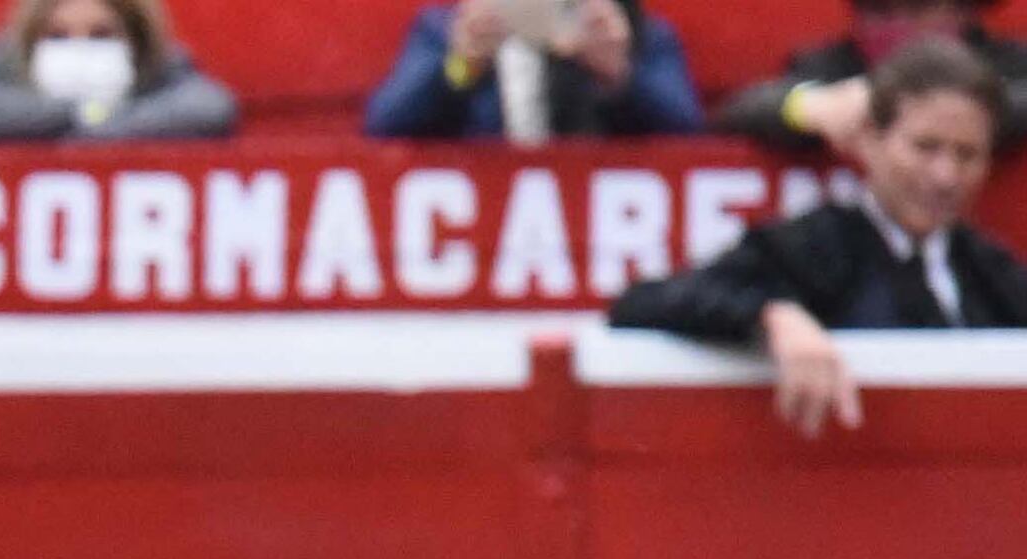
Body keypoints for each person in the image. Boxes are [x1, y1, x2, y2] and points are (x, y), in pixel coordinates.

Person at [612, 38, 1027, 431]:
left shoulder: (988, 270)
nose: (945, 176)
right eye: (925, 147)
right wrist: (771, 314)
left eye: (967, 154)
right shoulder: (815, 245)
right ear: (869, 140)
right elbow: (642, 303)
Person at [715, 0, 1027, 148]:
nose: (897, 25)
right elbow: (744, 109)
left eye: (917, 10)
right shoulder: (836, 63)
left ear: (963, 10)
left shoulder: (1007, 62)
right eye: (880, 11)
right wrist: (810, 107)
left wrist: (946, 109)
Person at [364, 0, 700, 137]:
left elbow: (690, 132)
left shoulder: (633, 33)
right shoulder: (447, 29)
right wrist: (462, 67)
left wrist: (619, 76)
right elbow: (386, 122)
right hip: (492, 211)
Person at [0, 0, 244, 138]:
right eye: (58, 36)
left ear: (134, 40)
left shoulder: (162, 67)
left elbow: (211, 106)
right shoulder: (3, 64)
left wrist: (103, 129)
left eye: (101, 35)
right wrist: (76, 115)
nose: (79, 47)